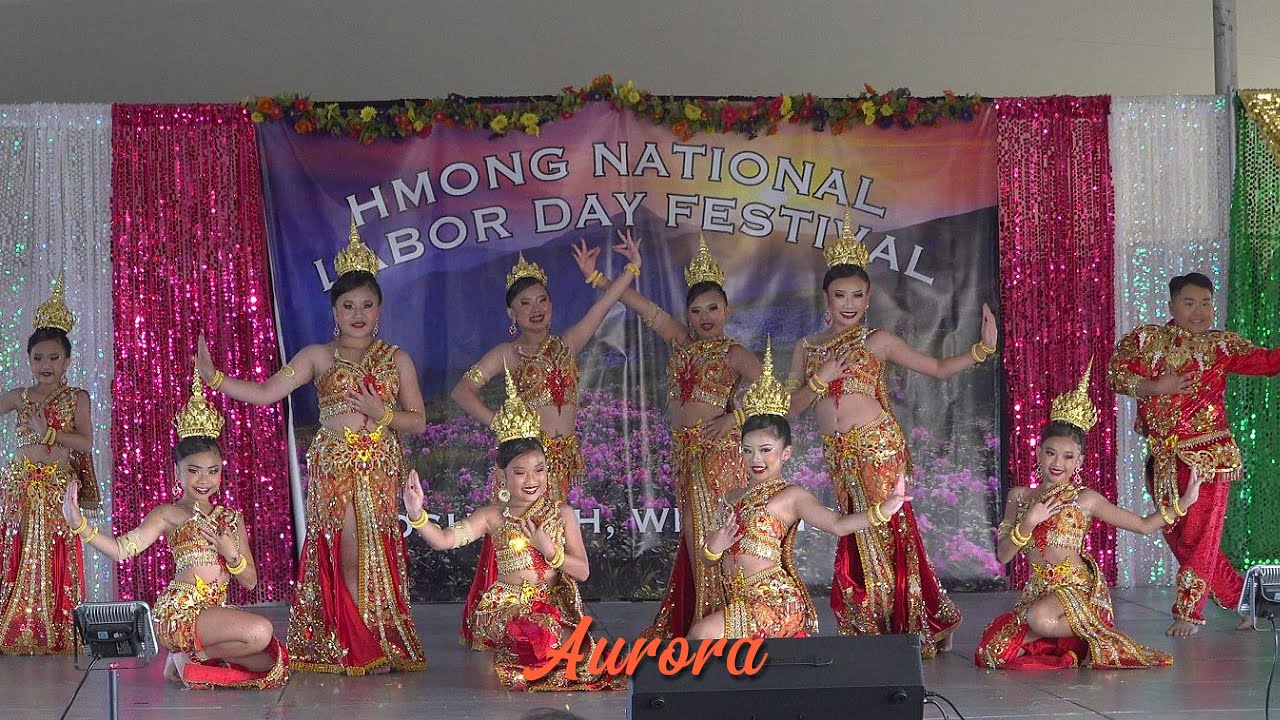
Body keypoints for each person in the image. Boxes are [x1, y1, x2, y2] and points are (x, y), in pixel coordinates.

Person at [197, 222, 427, 674]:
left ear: (379, 308)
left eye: (366, 305)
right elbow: (266, 392)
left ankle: (375, 638)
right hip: (336, 469)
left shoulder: (397, 358)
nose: (358, 314)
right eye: (348, 306)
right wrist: (216, 379)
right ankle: (357, 645)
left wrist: (381, 413)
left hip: (380, 468)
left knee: (378, 553)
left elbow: (417, 421)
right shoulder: (317, 355)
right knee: (347, 552)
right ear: (335, 311)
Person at [785, 212, 997, 656]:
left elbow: (936, 368)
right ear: (826, 297)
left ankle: (915, 622)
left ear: (867, 300)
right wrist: (820, 379)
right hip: (839, 455)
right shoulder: (807, 347)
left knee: (890, 530)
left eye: (857, 295)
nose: (848, 303)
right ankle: (872, 622)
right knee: (857, 533)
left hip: (878, 446)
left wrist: (981, 350)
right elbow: (790, 407)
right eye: (840, 295)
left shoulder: (877, 340)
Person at [451, 236, 640, 648]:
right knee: (516, 539)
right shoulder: (507, 354)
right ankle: (516, 620)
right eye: (525, 303)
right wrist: (502, 425)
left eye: (542, 300)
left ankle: (554, 616)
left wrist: (629, 268)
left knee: (553, 538)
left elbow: (604, 306)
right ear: (511, 312)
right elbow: (463, 391)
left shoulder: (567, 345)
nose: (536, 309)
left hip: (559, 462)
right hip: (527, 465)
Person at [572, 232, 762, 637]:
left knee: (714, 534)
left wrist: (735, 418)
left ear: (727, 310)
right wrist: (598, 277)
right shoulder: (680, 341)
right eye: (696, 310)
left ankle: (720, 622)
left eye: (713, 308)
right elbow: (640, 305)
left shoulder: (733, 353)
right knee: (695, 536)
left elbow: (773, 391)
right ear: (687, 315)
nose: (705, 316)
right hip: (686, 456)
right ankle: (706, 620)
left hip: (717, 456)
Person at [63, 371, 288, 688]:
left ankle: (188, 659)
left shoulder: (231, 518)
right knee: (260, 631)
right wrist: (80, 525)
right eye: (194, 471)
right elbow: (121, 549)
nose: (204, 480)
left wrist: (231, 555)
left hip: (214, 614)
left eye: (212, 471)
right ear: (177, 472)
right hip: (180, 612)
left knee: (271, 661)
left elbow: (249, 581)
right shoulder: (168, 514)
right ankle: (187, 654)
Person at [404, 365, 622, 691]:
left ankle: (541, 659)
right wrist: (417, 514)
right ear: (502, 476)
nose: (532, 480)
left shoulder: (562, 514)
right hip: (507, 609)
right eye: (520, 472)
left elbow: (582, 572)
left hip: (553, 606)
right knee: (537, 637)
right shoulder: (492, 516)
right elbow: (444, 540)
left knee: (584, 657)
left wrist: (550, 551)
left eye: (539, 470)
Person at [975, 362, 1195, 669]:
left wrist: (1184, 502)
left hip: (1074, 590)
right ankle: (1068, 642)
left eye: (1068, 456)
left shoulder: (1085, 499)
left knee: (1039, 619)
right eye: (1051, 453)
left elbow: (1144, 525)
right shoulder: (1020, 496)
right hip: (1039, 591)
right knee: (992, 652)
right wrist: (1029, 522)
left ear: (1079, 461)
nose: (1058, 463)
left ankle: (1094, 625)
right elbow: (1003, 555)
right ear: (1038, 453)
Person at [688, 340, 910, 640]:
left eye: (766, 450)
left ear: (786, 453)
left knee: (701, 634)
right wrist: (714, 547)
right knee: (703, 642)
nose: (756, 460)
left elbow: (838, 524)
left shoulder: (791, 496)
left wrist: (883, 510)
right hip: (738, 600)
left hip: (775, 602)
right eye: (748, 451)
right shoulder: (731, 497)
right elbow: (707, 559)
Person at [1109, 272, 1280, 636]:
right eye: (1189, 303)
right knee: (1179, 537)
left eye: (1206, 303)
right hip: (1162, 461)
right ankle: (1250, 602)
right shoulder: (1147, 340)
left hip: (1208, 460)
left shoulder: (1222, 345)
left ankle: (1188, 612)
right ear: (1172, 305)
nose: (1199, 311)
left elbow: (1269, 362)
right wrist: (1156, 385)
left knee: (1199, 538)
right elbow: (1115, 376)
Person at [0, 274, 101, 655]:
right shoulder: (18, 396)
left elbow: (86, 442)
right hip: (22, 487)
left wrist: (50, 434)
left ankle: (57, 633)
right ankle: (16, 628)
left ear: (67, 361)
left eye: (54, 358)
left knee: (56, 555)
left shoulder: (77, 398)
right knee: (19, 552)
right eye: (38, 358)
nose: (45, 364)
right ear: (29, 360)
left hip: (59, 487)